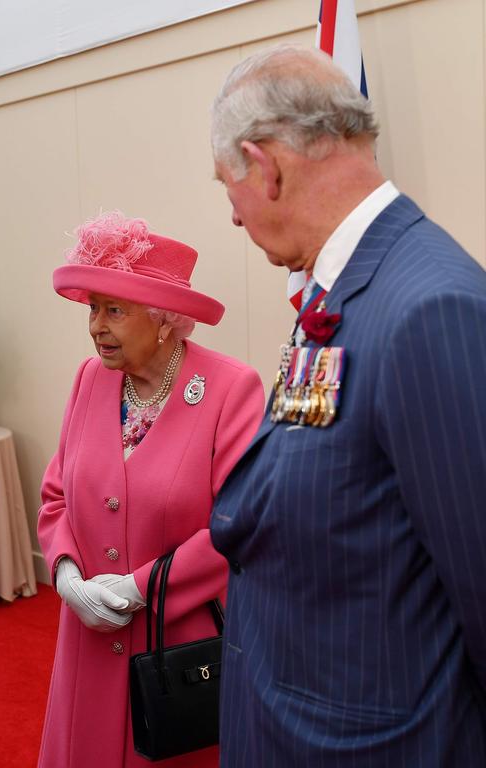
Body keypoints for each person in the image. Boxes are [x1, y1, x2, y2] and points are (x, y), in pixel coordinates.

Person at [209, 44, 486, 765]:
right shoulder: (346, 286)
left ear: (264, 165)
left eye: (226, 185)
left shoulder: (431, 307)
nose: (233, 218)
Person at [37, 212, 265, 767]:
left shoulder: (231, 389)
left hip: (179, 643)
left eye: (114, 310)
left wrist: (139, 589)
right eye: (93, 308)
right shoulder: (90, 379)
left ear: (166, 320)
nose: (96, 326)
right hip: (90, 634)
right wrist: (68, 577)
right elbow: (56, 496)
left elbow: (239, 523)